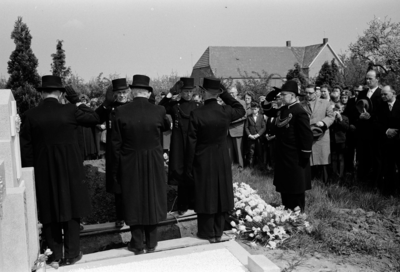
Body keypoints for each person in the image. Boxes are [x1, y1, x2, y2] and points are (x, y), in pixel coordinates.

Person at [20, 75, 109, 266]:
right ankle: (72, 253)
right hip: (70, 169)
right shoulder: (70, 110)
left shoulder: (30, 115)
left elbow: (25, 150)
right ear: (61, 94)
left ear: (42, 93)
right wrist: (76, 101)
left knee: (49, 209)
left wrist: (31, 174)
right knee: (72, 208)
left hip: (44, 170)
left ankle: (54, 256)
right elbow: (95, 117)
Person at [111, 74, 170, 254]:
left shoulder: (120, 112)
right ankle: (151, 242)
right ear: (147, 92)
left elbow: (115, 145)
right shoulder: (158, 110)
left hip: (130, 161)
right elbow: (166, 127)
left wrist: (115, 170)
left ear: (132, 91)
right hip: (153, 160)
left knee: (134, 199)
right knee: (152, 197)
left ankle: (137, 243)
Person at [185, 77, 245, 243]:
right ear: (217, 93)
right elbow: (240, 109)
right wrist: (224, 94)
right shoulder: (225, 111)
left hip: (202, 158)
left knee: (205, 193)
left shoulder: (196, 113)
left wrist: (188, 166)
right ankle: (218, 231)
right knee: (220, 192)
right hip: (221, 157)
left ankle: (206, 232)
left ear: (203, 93)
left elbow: (191, 143)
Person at [263, 80, 313, 212]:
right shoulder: (284, 109)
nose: (281, 97)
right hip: (282, 156)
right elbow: (268, 111)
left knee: (295, 189)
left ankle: (297, 217)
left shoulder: (299, 112)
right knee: (285, 187)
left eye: (283, 94)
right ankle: (287, 214)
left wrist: (304, 155)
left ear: (292, 95)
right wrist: (269, 97)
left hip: (295, 157)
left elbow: (306, 136)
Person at [158, 77, 201, 215]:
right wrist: (170, 93)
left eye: (190, 91)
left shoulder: (197, 106)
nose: (188, 94)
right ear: (181, 92)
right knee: (181, 173)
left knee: (193, 172)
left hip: (194, 144)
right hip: (179, 145)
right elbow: (159, 108)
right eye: (185, 91)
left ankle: (194, 203)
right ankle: (182, 205)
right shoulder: (174, 105)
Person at [95, 78, 131, 228]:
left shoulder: (132, 107)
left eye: (124, 92)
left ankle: (132, 215)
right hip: (114, 153)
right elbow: (96, 117)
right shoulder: (110, 109)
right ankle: (120, 216)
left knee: (131, 185)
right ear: (114, 94)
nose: (122, 95)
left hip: (130, 152)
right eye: (119, 93)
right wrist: (106, 103)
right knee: (118, 187)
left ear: (128, 93)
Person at [301, 84, 334, 183]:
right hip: (308, 136)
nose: (308, 95)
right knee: (310, 160)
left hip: (321, 136)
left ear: (315, 93)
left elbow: (331, 116)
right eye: (306, 93)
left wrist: (323, 123)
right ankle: (310, 181)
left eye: (310, 93)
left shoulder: (325, 103)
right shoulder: (301, 105)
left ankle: (325, 182)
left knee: (323, 160)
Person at [355, 70, 383, 186]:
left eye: (370, 79)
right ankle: (362, 181)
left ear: (377, 79)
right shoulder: (362, 93)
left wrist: (370, 118)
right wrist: (359, 116)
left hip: (376, 132)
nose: (367, 81)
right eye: (366, 78)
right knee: (363, 156)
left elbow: (383, 113)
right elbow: (355, 109)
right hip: (363, 131)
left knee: (376, 158)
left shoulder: (382, 94)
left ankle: (376, 182)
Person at [376, 85, 400, 195]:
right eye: (381, 94)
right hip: (386, 143)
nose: (383, 96)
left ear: (393, 93)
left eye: (385, 94)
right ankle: (389, 192)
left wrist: (396, 131)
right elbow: (377, 123)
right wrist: (386, 131)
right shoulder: (380, 107)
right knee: (388, 167)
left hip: (398, 140)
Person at [227, 87, 247, 170]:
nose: (231, 94)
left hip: (237, 129)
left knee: (239, 150)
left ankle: (240, 166)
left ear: (236, 93)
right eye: (230, 93)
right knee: (229, 150)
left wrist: (232, 121)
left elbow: (244, 115)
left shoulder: (241, 102)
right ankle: (229, 166)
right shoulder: (227, 103)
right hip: (228, 130)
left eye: (232, 92)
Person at [330, 103, 349, 179]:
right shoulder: (331, 117)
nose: (338, 111)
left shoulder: (345, 118)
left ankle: (341, 175)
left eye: (339, 109)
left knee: (341, 158)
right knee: (334, 157)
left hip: (341, 140)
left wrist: (340, 119)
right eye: (336, 109)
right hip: (333, 140)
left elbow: (346, 128)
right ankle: (334, 173)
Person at [244, 102, 266, 167]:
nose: (254, 110)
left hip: (259, 137)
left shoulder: (261, 117)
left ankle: (261, 166)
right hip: (251, 137)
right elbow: (246, 127)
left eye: (255, 109)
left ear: (258, 109)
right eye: (252, 109)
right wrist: (249, 135)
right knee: (251, 152)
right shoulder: (249, 117)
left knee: (260, 152)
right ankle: (251, 166)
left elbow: (264, 127)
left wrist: (258, 134)